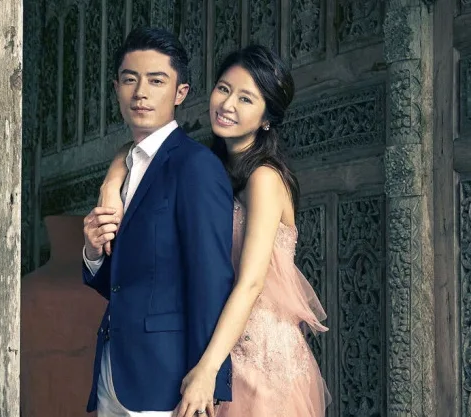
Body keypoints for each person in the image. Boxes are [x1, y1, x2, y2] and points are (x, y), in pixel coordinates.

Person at [99, 44, 331, 417]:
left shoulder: (264, 178)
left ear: (266, 118)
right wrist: (112, 183)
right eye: (223, 89)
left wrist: (207, 368)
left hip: (256, 355)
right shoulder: (209, 166)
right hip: (218, 342)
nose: (227, 104)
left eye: (245, 99)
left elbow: (251, 283)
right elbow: (139, 148)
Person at [82, 27, 235, 417]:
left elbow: (212, 279)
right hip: (114, 372)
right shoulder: (126, 166)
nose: (140, 93)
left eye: (156, 80)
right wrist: (93, 252)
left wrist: (209, 377)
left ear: (180, 92)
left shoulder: (195, 166)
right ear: (116, 88)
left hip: (168, 381)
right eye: (130, 80)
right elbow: (126, 284)